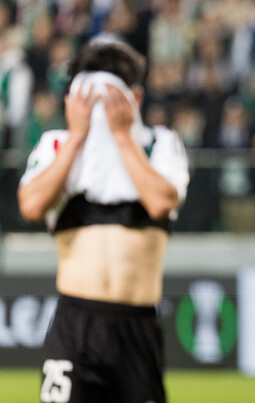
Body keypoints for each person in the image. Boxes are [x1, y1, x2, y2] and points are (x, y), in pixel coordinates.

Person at [18, 39, 189, 403]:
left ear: (136, 99)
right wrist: (77, 138)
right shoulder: (55, 146)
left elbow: (160, 202)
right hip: (73, 326)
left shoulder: (160, 146)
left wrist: (124, 138)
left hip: (136, 330)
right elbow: (31, 205)